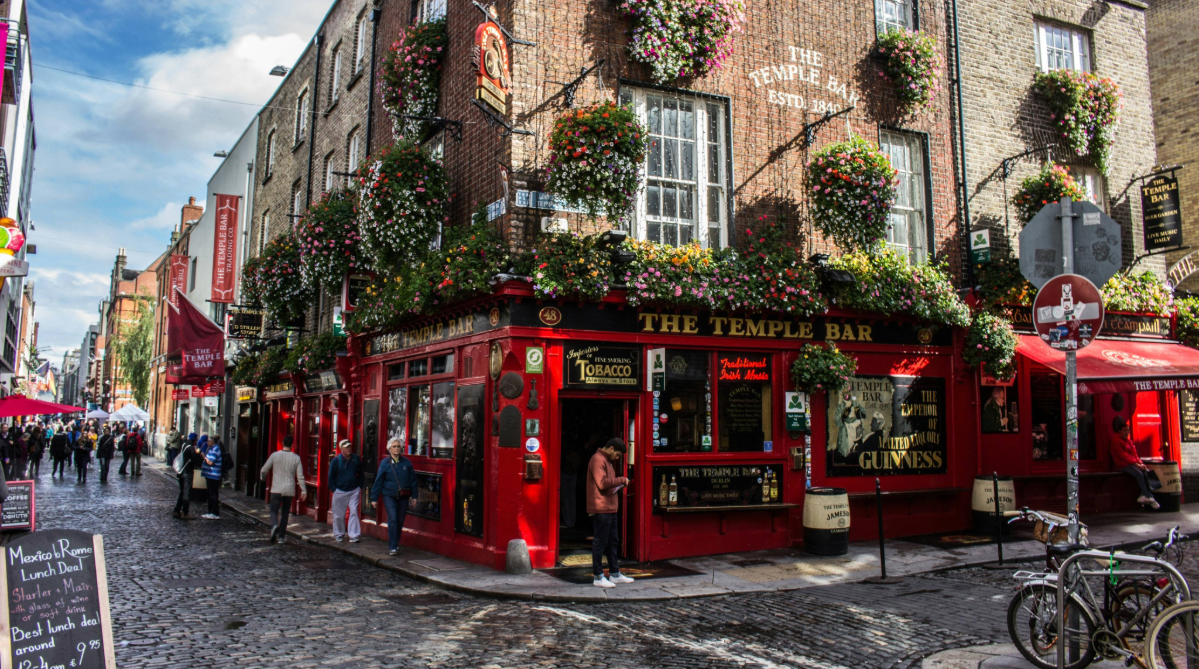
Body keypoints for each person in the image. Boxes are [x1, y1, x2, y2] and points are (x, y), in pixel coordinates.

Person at [586, 437, 633, 588]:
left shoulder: (606, 460)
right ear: (611, 448)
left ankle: (615, 574)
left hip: (610, 508)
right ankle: (598, 577)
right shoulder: (597, 459)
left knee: (613, 542)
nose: (617, 458)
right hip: (601, 508)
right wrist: (621, 480)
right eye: (617, 454)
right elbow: (602, 483)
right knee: (600, 543)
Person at [371, 438, 418, 556]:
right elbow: (378, 481)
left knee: (400, 521)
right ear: (389, 448)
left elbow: (413, 480)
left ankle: (396, 543)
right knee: (393, 519)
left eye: (398, 446)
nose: (396, 448)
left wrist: (414, 496)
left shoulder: (407, 463)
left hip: (403, 496)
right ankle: (392, 546)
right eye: (394, 446)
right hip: (389, 496)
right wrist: (374, 497)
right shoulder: (384, 463)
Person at [260, 436, 306, 544]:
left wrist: (263, 478)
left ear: (282, 443)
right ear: (292, 445)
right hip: (289, 489)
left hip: (276, 488)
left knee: (273, 510)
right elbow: (300, 476)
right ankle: (281, 537)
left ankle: (274, 525)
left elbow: (263, 470)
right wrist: (303, 490)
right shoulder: (296, 458)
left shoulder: (275, 455)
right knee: (285, 513)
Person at [1111, 416, 1160, 510]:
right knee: (1139, 474)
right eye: (1124, 430)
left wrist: (1141, 464)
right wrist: (1135, 464)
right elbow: (1123, 456)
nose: (1127, 432)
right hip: (1122, 464)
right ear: (1119, 431)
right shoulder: (1116, 442)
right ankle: (1149, 497)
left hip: (1130, 463)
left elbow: (1134, 454)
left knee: (1145, 472)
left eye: (1128, 430)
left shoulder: (1129, 442)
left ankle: (1144, 495)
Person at [328, 439, 363, 543]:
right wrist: (334, 489)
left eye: (349, 446)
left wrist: (359, 486)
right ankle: (339, 534)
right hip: (340, 491)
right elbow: (330, 476)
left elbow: (361, 473)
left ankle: (354, 535)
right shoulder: (336, 460)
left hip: (354, 490)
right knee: (338, 515)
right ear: (341, 449)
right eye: (346, 447)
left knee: (354, 512)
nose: (349, 449)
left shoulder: (356, 459)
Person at [173, 436, 203, 519]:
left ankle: (176, 510)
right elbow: (195, 461)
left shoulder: (184, 445)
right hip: (187, 472)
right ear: (194, 440)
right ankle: (185, 513)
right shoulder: (191, 448)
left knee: (182, 491)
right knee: (187, 492)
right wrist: (198, 454)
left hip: (181, 472)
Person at [200, 436, 224, 519]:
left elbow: (210, 462)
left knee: (213, 494)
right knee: (210, 494)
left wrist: (204, 457)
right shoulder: (211, 449)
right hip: (209, 475)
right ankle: (210, 512)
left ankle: (215, 513)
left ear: (212, 442)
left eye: (209, 441)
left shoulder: (215, 449)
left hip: (213, 475)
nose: (207, 442)